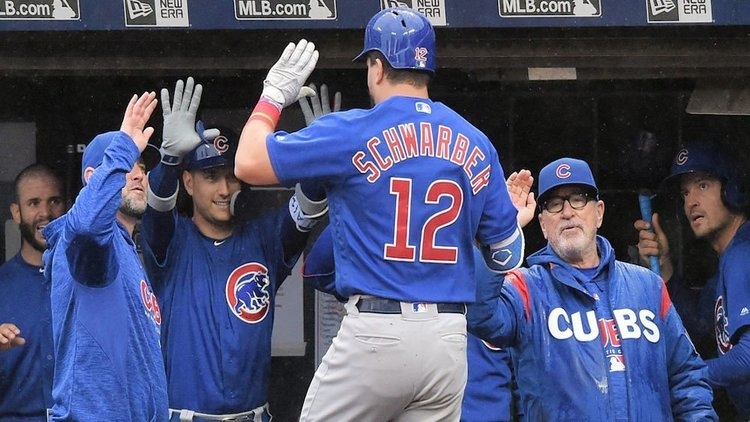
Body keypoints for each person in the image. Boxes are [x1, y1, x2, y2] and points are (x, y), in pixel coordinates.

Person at [234, 7, 524, 420]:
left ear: (376, 66)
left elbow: (247, 161)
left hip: (378, 330)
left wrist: (273, 96)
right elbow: (507, 257)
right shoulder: (475, 141)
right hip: (447, 340)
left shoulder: (352, 129)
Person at [468, 157, 717, 420]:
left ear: (599, 212)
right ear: (542, 224)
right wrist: (504, 229)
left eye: (578, 198)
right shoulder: (525, 288)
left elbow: (687, 378)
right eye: (554, 204)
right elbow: (480, 316)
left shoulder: (648, 286)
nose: (567, 212)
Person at [140, 77, 329, 421]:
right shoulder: (170, 242)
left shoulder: (264, 239)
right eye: (211, 177)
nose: (225, 188)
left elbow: (309, 205)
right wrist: (169, 160)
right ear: (189, 182)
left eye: (231, 176)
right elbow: (158, 208)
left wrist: (321, 156)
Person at [41, 92, 168, 421]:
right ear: (92, 179)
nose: (139, 174)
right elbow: (86, 226)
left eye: (142, 167)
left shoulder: (127, 248)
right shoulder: (88, 240)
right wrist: (124, 146)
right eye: (129, 167)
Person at [634, 141, 750, 420]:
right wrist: (665, 268)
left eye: (703, 185)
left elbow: (748, 358)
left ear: (731, 188)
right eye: (685, 193)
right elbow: (700, 324)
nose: (691, 202)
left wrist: (676, 378)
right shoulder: (729, 259)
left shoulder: (743, 255)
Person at [0, 164, 66, 420]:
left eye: (54, 201)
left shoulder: (85, 282)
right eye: (33, 203)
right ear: (16, 212)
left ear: (68, 206)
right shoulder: (3, 284)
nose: (45, 212)